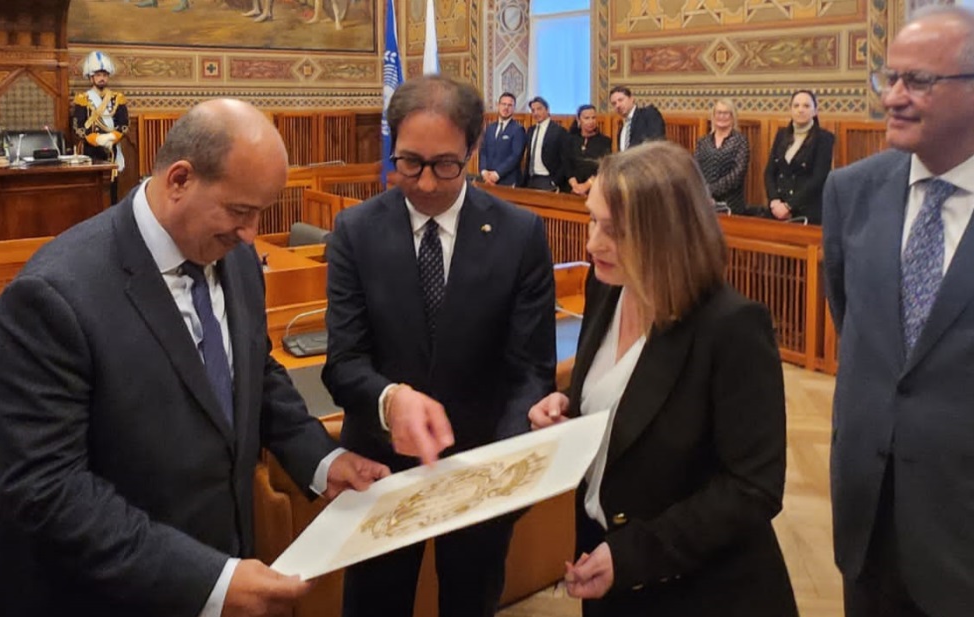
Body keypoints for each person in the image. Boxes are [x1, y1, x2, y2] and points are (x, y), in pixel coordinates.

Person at [0, 99, 389, 617]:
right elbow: (48, 490)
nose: (251, 234)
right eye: (240, 211)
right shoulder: (52, 296)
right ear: (180, 180)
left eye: (260, 213)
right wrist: (208, 582)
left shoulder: (236, 260)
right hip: (99, 597)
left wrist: (322, 462)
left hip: (216, 570)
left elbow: (254, 374)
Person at [528, 141, 798, 617]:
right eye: (592, 221)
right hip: (606, 570)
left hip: (701, 590)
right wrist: (567, 403)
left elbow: (752, 487)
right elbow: (627, 393)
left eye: (614, 231)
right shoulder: (607, 287)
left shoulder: (731, 326)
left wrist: (634, 555)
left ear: (667, 233)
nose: (592, 244)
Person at [323, 75, 557, 617]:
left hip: (481, 473)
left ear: (473, 149)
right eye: (410, 163)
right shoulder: (355, 230)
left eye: (445, 165)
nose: (426, 183)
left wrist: (499, 472)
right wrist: (390, 400)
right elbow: (344, 363)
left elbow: (530, 371)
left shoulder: (520, 233)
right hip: (381, 470)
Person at [823, 7, 974, 617]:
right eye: (889, 79)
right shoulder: (851, 191)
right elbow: (859, 330)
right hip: (867, 521)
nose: (893, 98)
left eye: (919, 81)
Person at [763, 89, 835, 224]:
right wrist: (774, 201)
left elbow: (819, 178)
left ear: (815, 111)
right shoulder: (781, 135)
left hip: (806, 212)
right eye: (796, 106)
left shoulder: (824, 138)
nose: (800, 110)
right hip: (777, 210)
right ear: (790, 110)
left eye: (806, 106)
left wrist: (789, 206)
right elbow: (769, 172)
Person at [73, 50, 130, 202]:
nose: (102, 78)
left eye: (104, 75)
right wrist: (96, 139)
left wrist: (112, 137)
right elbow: (78, 127)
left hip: (111, 149)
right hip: (91, 150)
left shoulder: (117, 98)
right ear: (91, 77)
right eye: (98, 75)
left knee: (111, 190)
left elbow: (124, 124)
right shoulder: (83, 99)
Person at [694, 98, 750, 214]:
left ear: (732, 116)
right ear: (713, 116)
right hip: (703, 200)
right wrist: (703, 192)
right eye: (719, 112)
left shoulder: (740, 141)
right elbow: (695, 168)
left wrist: (710, 190)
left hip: (730, 203)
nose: (722, 116)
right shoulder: (703, 142)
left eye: (726, 113)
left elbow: (737, 174)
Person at [561, 104, 612, 196]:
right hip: (571, 188)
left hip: (594, 189)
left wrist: (586, 186)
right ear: (578, 120)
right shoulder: (569, 139)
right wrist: (575, 186)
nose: (591, 121)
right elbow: (566, 164)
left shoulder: (605, 141)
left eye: (593, 118)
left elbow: (604, 167)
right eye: (587, 118)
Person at [478, 92, 526, 187]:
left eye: (510, 105)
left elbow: (515, 156)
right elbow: (483, 151)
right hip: (487, 180)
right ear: (498, 105)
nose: (506, 108)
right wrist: (484, 171)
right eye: (504, 104)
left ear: (514, 108)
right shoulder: (490, 128)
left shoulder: (518, 129)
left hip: (507, 181)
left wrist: (497, 174)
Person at [524, 95, 568, 191]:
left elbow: (565, 160)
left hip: (548, 179)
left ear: (547, 110)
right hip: (531, 179)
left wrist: (555, 182)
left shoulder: (559, 131)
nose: (536, 113)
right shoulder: (531, 130)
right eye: (533, 110)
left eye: (539, 109)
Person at [609, 86, 666, 151]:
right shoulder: (621, 130)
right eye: (614, 104)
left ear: (631, 99)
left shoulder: (648, 114)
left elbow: (656, 141)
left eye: (620, 100)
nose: (617, 105)